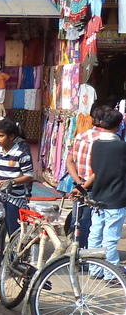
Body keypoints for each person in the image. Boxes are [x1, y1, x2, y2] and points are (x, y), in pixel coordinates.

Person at [66, 105, 112, 248]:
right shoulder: (107, 139)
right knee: (92, 223)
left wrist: (79, 182)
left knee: (77, 219)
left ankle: (76, 251)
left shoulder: (81, 136)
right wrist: (84, 186)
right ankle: (86, 256)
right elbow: (100, 170)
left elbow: (69, 161)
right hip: (95, 187)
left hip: (79, 184)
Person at [86, 107, 126, 267]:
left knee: (95, 233)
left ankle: (94, 268)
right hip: (115, 198)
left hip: (97, 195)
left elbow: (94, 169)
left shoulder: (96, 144)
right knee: (110, 236)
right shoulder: (121, 147)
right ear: (118, 125)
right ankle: (111, 271)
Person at [0, 118, 34, 235]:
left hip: (16, 197)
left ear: (11, 136)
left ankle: (16, 253)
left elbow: (29, 176)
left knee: (14, 231)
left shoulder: (21, 151)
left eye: (1, 136)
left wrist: (10, 182)